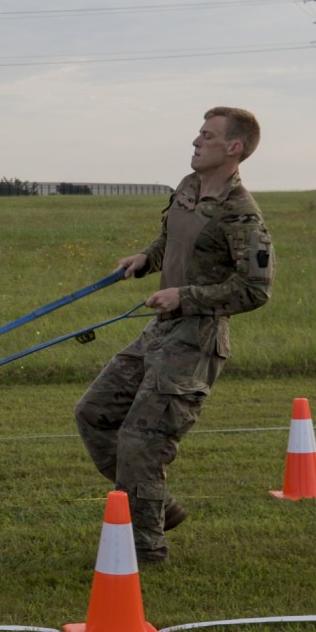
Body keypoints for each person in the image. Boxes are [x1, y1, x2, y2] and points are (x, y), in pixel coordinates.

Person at [74, 106, 275, 565]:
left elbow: (255, 290)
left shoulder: (242, 215)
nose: (195, 141)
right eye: (198, 133)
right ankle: (157, 506)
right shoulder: (187, 188)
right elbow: (173, 240)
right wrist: (146, 258)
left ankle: (146, 552)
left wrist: (184, 296)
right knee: (94, 413)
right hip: (160, 330)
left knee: (141, 444)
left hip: (196, 339)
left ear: (233, 148)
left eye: (207, 136)